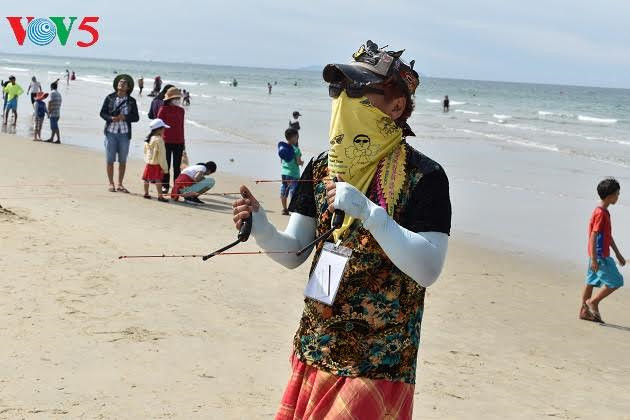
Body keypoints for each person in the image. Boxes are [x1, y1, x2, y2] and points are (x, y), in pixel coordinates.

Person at [232, 40, 451, 419]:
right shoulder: (322, 167)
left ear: (396, 106)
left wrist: (370, 212)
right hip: (317, 344)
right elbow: (294, 251)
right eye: (339, 89)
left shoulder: (424, 175)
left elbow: (428, 268)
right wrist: (262, 227)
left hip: (380, 361)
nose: (344, 98)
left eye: (359, 90)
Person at [580, 178, 625, 323]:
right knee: (617, 281)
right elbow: (594, 235)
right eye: (617, 193)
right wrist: (594, 258)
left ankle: (584, 311)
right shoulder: (601, 213)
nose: (618, 196)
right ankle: (593, 302)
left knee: (590, 281)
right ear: (610, 196)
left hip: (596, 254)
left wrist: (618, 254)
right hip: (600, 256)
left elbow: (608, 236)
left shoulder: (602, 211)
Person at [99, 74, 140, 193]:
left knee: (123, 161)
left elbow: (136, 117)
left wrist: (125, 117)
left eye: (124, 83)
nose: (122, 83)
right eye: (120, 82)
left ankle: (120, 184)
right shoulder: (109, 98)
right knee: (110, 160)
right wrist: (111, 118)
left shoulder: (131, 101)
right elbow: (102, 113)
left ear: (128, 88)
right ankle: (111, 183)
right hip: (110, 133)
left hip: (124, 134)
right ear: (117, 85)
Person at [157, 87, 186, 194]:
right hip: (166, 141)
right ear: (170, 99)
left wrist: (184, 142)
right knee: (166, 165)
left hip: (179, 141)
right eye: (176, 98)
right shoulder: (163, 109)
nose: (178, 100)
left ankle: (177, 187)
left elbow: (182, 127)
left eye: (179, 98)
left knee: (177, 166)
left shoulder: (181, 110)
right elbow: (158, 125)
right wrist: (157, 140)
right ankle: (165, 186)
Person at [142, 118, 170, 202]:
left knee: (146, 179)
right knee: (158, 180)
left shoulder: (149, 138)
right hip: (157, 163)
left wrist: (148, 159)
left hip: (149, 163)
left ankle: (146, 193)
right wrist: (165, 168)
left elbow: (145, 151)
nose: (164, 130)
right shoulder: (159, 140)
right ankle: (160, 196)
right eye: (163, 128)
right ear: (158, 130)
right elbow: (162, 155)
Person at [279, 127, 303, 215]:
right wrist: (302, 162)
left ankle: (284, 209)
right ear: (293, 138)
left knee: (284, 190)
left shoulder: (283, 148)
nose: (297, 139)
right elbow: (298, 162)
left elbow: (281, 160)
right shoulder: (296, 150)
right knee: (293, 191)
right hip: (293, 174)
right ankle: (293, 210)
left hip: (284, 173)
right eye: (297, 137)